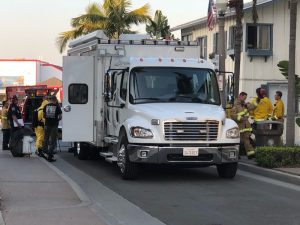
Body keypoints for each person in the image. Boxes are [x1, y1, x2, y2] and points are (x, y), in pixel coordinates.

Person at [231, 92, 255, 159]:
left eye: (245, 98)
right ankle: (236, 155)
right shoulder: (235, 105)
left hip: (246, 126)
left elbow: (252, 107)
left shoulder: (244, 104)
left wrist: (249, 104)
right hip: (240, 126)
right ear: (240, 96)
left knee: (246, 140)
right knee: (237, 141)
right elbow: (233, 115)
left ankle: (251, 154)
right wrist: (241, 118)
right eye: (244, 97)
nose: (245, 99)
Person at [42, 96, 62, 162]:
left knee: (46, 138)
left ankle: (45, 151)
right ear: (55, 100)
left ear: (50, 100)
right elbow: (60, 116)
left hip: (47, 125)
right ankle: (50, 155)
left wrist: (48, 119)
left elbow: (43, 116)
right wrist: (56, 120)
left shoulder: (45, 106)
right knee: (53, 140)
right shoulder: (57, 107)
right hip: (54, 125)